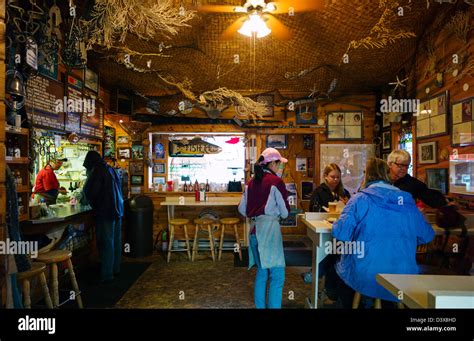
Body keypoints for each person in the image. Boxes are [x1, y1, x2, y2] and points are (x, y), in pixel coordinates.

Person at [331, 158, 434, 308]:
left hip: (366, 272)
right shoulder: (407, 200)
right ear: (387, 175)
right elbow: (427, 235)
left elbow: (341, 234)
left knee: (338, 264)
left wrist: (336, 223)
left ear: (367, 175)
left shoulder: (359, 199)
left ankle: (362, 302)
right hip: (403, 273)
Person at [238, 148, 290, 309]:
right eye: (279, 163)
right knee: (277, 275)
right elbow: (286, 212)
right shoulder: (276, 182)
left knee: (262, 272)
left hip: (254, 231)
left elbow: (241, 209)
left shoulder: (251, 182)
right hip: (269, 232)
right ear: (272, 163)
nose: (280, 167)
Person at [303, 164, 351, 293]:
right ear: (325, 176)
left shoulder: (344, 192)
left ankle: (318, 272)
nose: (335, 180)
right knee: (332, 252)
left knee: (337, 252)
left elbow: (352, 212)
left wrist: (347, 204)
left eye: (338, 177)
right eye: (332, 177)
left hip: (339, 228)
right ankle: (328, 283)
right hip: (323, 228)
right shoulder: (319, 191)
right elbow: (313, 210)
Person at [82, 151, 124, 283]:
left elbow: (90, 193)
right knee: (115, 241)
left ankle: (107, 274)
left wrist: (85, 200)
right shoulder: (111, 169)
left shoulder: (97, 171)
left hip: (106, 211)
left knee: (106, 243)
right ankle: (115, 268)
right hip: (118, 210)